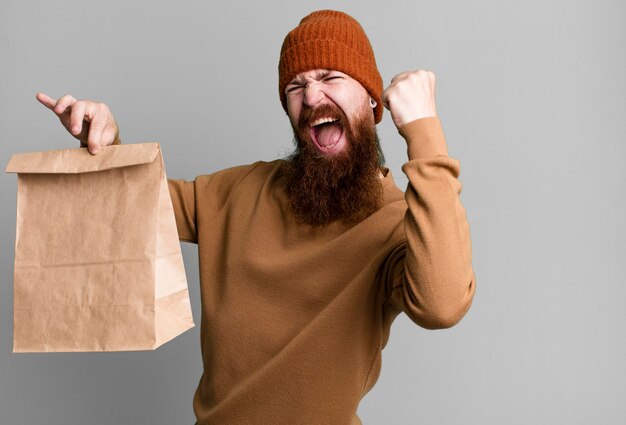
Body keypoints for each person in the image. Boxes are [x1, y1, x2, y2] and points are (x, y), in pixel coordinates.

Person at [36, 9, 475, 425]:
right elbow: (133, 211)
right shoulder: (238, 191)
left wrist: (424, 131)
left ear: (372, 99)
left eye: (331, 78)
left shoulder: (400, 223)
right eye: (294, 88)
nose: (312, 97)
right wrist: (108, 145)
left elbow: (442, 305)